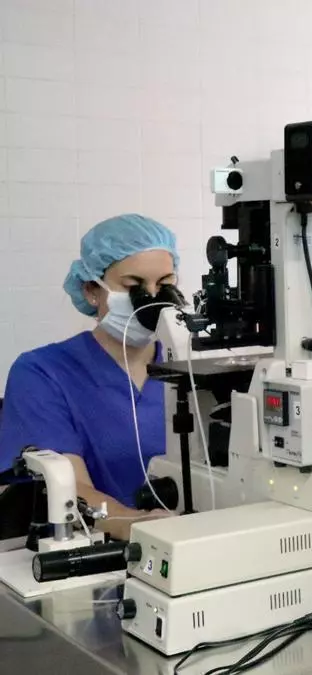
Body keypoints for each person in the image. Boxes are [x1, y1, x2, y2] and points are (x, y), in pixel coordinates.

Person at [0, 214, 179, 540]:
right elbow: (68, 488)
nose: (152, 299)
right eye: (133, 287)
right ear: (92, 290)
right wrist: (135, 525)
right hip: (99, 553)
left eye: (165, 285)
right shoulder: (42, 372)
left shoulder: (192, 370)